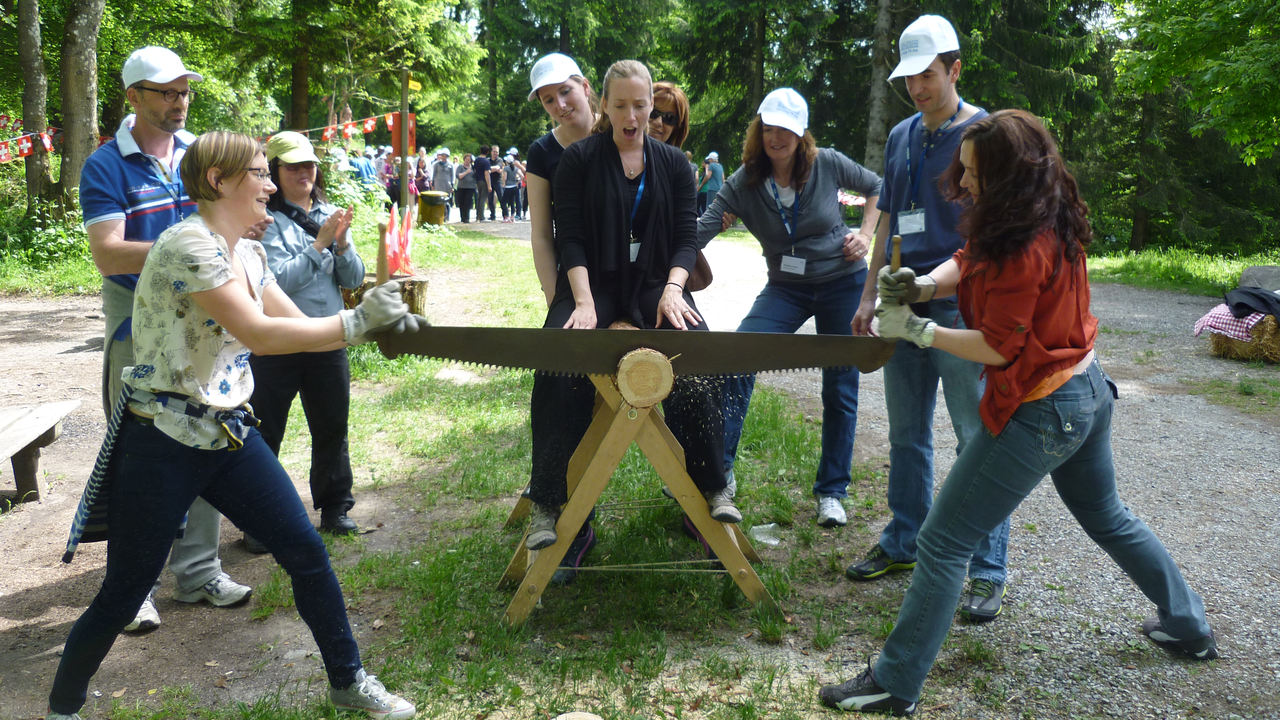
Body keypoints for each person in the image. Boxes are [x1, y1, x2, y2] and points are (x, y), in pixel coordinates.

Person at [819, 108, 1217, 716]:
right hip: (1085, 392)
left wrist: (921, 332)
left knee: (944, 539)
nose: (966, 181)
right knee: (1107, 514)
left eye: (976, 172)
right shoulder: (1029, 212)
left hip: (1045, 408)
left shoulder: (1027, 245)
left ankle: (894, 683)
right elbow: (971, 257)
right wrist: (924, 285)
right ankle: (1188, 622)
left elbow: (1000, 348)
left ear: (1008, 173)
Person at [48, 131, 418, 720]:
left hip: (228, 432)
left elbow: (294, 327)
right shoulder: (187, 246)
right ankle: (62, 708)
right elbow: (261, 335)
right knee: (123, 592)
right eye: (259, 173)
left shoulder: (249, 250)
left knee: (305, 552)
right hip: (163, 438)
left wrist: (377, 320)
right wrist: (355, 324)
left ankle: (347, 682)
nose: (272, 184)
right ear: (218, 181)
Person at [525, 59, 740, 583]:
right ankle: (549, 500)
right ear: (604, 105)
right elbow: (569, 235)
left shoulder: (674, 164)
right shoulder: (576, 160)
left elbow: (686, 238)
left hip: (652, 284)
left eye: (640, 105)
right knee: (557, 360)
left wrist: (672, 289)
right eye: (619, 105)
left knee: (699, 354)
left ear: (651, 105)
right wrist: (580, 301)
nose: (631, 115)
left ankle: (713, 486)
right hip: (591, 282)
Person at [79, 45, 250, 634]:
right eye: (166, 92)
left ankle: (200, 572)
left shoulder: (197, 154)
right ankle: (134, 588)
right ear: (133, 97)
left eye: (185, 92)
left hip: (203, 319)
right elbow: (107, 252)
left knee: (205, 432)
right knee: (141, 454)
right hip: (136, 320)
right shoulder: (106, 165)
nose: (180, 102)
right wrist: (188, 258)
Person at [847, 15, 1011, 621]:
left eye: (927, 75)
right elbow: (888, 219)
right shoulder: (900, 137)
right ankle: (903, 542)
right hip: (899, 300)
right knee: (907, 434)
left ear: (955, 69)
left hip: (962, 307)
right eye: (908, 78)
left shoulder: (987, 134)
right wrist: (869, 297)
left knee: (978, 437)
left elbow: (1000, 233)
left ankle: (988, 568)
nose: (917, 87)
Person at [697, 88, 882, 528]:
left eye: (785, 129)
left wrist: (867, 233)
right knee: (739, 356)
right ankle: (718, 472)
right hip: (786, 287)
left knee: (841, 384)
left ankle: (832, 491)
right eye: (768, 127)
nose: (775, 136)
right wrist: (662, 261)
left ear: (801, 135)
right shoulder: (744, 181)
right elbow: (698, 232)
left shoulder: (828, 163)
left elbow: (878, 186)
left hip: (842, 281)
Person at [244, 130, 365, 551]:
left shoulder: (331, 212)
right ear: (275, 171)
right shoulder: (264, 220)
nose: (304, 173)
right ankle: (259, 520)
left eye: (309, 164)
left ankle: (336, 508)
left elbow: (352, 279)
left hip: (326, 339)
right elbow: (272, 282)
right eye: (293, 165)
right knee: (264, 431)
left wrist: (343, 245)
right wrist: (319, 245)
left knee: (332, 428)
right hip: (277, 340)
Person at [526, 52, 598, 306]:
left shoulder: (621, 136)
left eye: (566, 91)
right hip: (571, 274)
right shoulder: (541, 152)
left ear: (586, 86)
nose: (560, 104)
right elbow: (542, 235)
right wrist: (553, 296)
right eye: (549, 100)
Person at [647, 81, 690, 148]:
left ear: (675, 128)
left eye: (669, 118)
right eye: (653, 112)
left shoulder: (676, 158)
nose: (658, 122)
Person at [455, 153, 477, 223]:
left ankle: (467, 218)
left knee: (467, 202)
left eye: (469, 159)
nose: (467, 160)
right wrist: (466, 172)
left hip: (470, 187)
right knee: (461, 202)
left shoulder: (473, 167)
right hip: (461, 187)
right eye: (466, 159)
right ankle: (462, 217)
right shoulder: (460, 167)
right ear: (464, 159)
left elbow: (475, 176)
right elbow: (458, 176)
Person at [474, 146, 493, 222]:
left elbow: (475, 170)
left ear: (480, 151)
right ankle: (481, 217)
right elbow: (487, 173)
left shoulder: (476, 160)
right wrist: (489, 185)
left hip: (478, 180)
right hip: (484, 181)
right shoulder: (486, 161)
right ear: (488, 152)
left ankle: (477, 215)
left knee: (479, 198)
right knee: (483, 198)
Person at [500, 154, 521, 222]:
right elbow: (521, 175)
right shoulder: (515, 168)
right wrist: (517, 182)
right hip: (514, 186)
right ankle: (512, 217)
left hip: (508, 187)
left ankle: (506, 216)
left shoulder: (506, 168)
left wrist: (503, 181)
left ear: (506, 161)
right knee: (512, 202)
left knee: (503, 202)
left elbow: (505, 178)